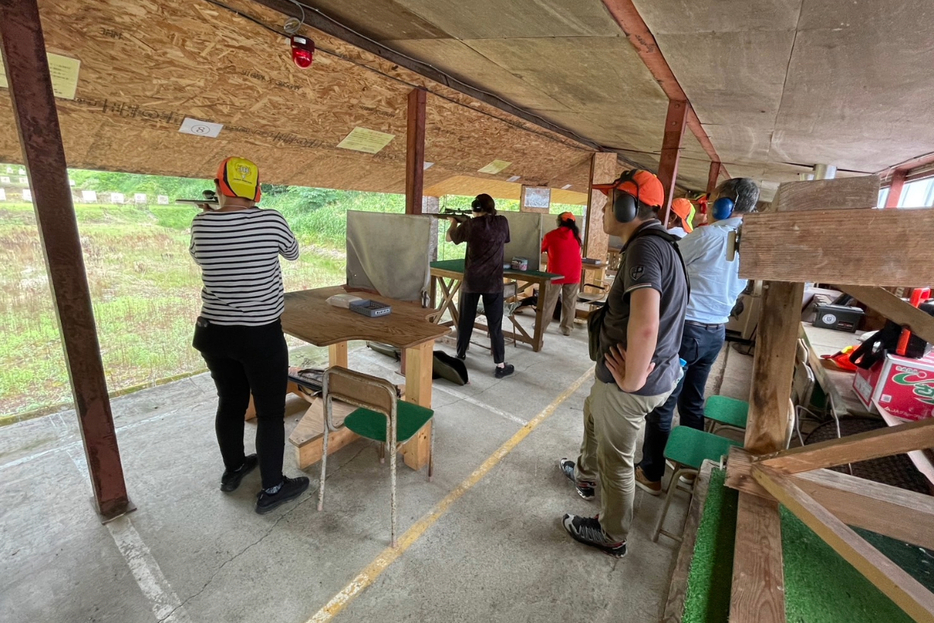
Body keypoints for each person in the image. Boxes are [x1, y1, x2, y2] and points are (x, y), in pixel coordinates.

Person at [558, 170, 689, 557]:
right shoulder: (660, 244)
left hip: (633, 385)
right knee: (592, 413)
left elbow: (647, 323)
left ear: (628, 205)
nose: (602, 208)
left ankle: (611, 533)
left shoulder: (645, 249)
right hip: (639, 376)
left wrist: (631, 380)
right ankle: (585, 475)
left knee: (616, 461)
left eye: (609, 199)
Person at [189, 157, 310, 514]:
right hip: (260, 335)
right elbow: (293, 252)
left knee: (230, 402)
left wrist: (212, 212)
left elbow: (199, 255)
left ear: (218, 186)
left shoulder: (200, 223)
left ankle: (235, 468)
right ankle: (272, 486)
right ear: (257, 190)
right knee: (271, 413)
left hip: (214, 334)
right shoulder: (271, 218)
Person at [634, 178, 758, 495]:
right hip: (716, 333)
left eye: (714, 200)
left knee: (664, 403)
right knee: (693, 401)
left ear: (725, 204)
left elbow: (666, 263)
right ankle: (690, 470)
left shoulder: (708, 235)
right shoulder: (752, 241)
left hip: (687, 330)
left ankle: (651, 472)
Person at [447, 193, 515, 378]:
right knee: (495, 325)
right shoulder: (502, 222)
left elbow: (449, 237)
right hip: (494, 283)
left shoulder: (469, 225)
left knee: (466, 320)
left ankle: (460, 354)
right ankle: (500, 364)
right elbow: (504, 238)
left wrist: (454, 221)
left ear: (476, 208)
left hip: (472, 281)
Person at [540, 212, 583, 336]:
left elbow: (540, 249)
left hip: (555, 274)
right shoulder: (577, 236)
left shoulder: (550, 235)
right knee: (570, 303)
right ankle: (566, 328)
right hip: (574, 273)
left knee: (548, 302)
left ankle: (542, 326)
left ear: (559, 221)